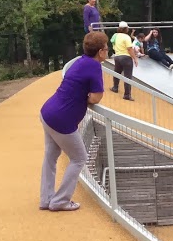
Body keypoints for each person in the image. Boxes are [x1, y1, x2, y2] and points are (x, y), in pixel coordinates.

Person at [39, 31, 111, 212]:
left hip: (48, 112)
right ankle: (60, 201)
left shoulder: (80, 61)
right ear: (100, 51)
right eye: (106, 48)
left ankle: (46, 199)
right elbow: (96, 97)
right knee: (79, 158)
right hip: (62, 120)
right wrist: (85, 97)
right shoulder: (94, 66)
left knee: (50, 156)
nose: (108, 51)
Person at [108, 22, 138, 101]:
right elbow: (129, 49)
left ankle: (115, 87)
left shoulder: (115, 35)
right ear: (126, 29)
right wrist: (135, 58)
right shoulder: (126, 37)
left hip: (117, 56)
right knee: (127, 76)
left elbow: (113, 46)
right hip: (126, 57)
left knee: (117, 73)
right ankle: (127, 95)